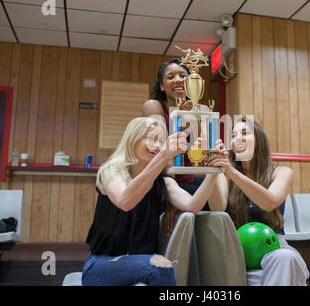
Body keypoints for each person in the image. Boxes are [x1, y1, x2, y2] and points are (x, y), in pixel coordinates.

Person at [82, 117, 218, 286]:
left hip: (140, 265)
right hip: (102, 265)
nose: (157, 145)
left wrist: (213, 170)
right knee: (161, 267)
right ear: (133, 139)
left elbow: (193, 205)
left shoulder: (164, 182)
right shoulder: (111, 171)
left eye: (161, 141)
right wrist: (163, 156)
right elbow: (126, 201)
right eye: (151, 138)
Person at [206, 117, 310, 286]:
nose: (237, 139)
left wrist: (232, 172)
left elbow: (269, 203)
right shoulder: (224, 174)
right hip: (237, 250)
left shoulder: (282, 172)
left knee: (286, 258)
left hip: (272, 246)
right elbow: (217, 207)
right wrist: (213, 170)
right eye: (233, 136)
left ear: (259, 141)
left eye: (245, 133)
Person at [143, 58, 209, 195]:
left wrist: (189, 120)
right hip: (163, 177)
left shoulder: (202, 109)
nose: (178, 80)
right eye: (170, 77)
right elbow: (161, 148)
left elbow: (203, 151)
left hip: (191, 177)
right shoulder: (153, 106)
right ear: (161, 85)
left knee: (222, 187)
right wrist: (173, 193)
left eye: (183, 76)